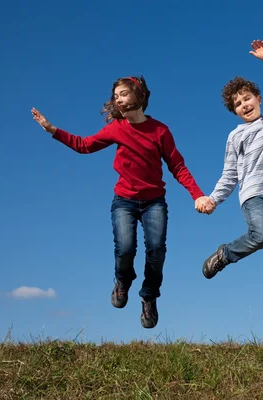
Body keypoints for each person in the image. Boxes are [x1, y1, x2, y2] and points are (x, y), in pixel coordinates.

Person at [31, 76, 213, 328]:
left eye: (123, 93)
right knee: (125, 249)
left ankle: (149, 296)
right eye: (115, 95)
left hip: (154, 202)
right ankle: (123, 280)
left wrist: (198, 194)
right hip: (124, 201)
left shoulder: (160, 131)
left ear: (139, 96)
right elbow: (84, 145)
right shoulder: (116, 128)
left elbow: (177, 166)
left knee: (156, 251)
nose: (118, 98)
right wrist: (53, 130)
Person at [200, 39, 263, 280]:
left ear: (258, 98)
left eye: (247, 99)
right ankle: (224, 254)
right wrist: (213, 199)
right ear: (234, 111)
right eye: (237, 104)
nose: (244, 105)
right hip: (252, 195)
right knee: (261, 237)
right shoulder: (235, 136)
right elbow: (230, 174)